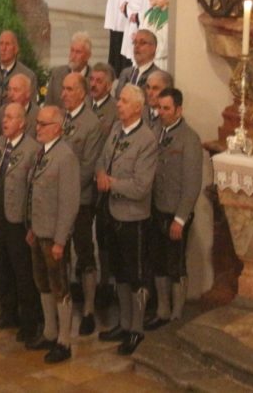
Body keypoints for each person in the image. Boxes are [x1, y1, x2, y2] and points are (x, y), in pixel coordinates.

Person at [96, 85, 158, 356]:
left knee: (136, 275)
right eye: (118, 100)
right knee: (119, 272)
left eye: (123, 101)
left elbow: (142, 186)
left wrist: (111, 183)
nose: (118, 104)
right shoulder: (116, 131)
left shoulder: (146, 140)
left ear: (137, 107)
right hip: (111, 212)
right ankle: (123, 323)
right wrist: (100, 174)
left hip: (133, 217)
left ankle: (136, 329)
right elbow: (102, 160)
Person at [26, 106, 80, 364]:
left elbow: (69, 202)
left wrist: (60, 239)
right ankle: (49, 331)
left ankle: (64, 341)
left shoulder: (65, 156)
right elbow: (34, 192)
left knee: (60, 287)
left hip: (54, 235)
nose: (38, 127)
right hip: (39, 231)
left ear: (57, 127)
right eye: (37, 123)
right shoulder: (41, 153)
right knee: (42, 283)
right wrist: (31, 228)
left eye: (43, 124)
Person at [147, 88, 204, 331]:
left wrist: (180, 219)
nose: (161, 113)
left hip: (176, 213)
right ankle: (162, 309)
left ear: (179, 110)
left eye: (166, 108)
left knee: (175, 263)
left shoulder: (189, 138)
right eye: (159, 108)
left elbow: (192, 183)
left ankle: (177, 314)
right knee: (158, 261)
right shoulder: (155, 131)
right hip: (156, 208)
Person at [0, 104, 41, 346]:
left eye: (10, 117)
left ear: (22, 122)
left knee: (23, 272)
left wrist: (32, 224)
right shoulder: (0, 143)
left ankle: (29, 322)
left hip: (18, 219)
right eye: (4, 116)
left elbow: (33, 190)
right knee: (3, 268)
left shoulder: (32, 149)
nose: (4, 121)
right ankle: (7, 312)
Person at [58, 73, 105, 336]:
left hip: (81, 200)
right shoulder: (61, 117)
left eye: (69, 89)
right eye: (63, 89)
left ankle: (88, 308)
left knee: (85, 253)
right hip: (58, 200)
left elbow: (89, 166)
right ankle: (63, 303)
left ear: (82, 93)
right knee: (59, 252)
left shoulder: (91, 124)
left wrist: (65, 187)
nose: (63, 93)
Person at [0, 30, 36, 127]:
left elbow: (31, 110)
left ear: (16, 49)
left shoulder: (28, 75)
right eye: (0, 44)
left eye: (7, 44)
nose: (3, 48)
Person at [44, 32, 93, 108]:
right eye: (72, 51)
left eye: (78, 52)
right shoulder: (57, 74)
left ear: (88, 56)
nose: (73, 56)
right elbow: (48, 105)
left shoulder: (93, 79)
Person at [116, 29, 159, 94]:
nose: (137, 46)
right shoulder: (125, 73)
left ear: (153, 48)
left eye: (142, 43)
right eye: (135, 42)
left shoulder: (158, 76)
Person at [142, 0, 170, 71]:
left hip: (160, 59)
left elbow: (165, 41)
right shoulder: (154, 13)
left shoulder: (168, 17)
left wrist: (152, 50)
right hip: (150, 56)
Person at [89, 62, 119, 138]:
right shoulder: (82, 102)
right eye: (92, 79)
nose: (93, 84)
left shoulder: (116, 110)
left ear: (109, 86)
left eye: (98, 81)